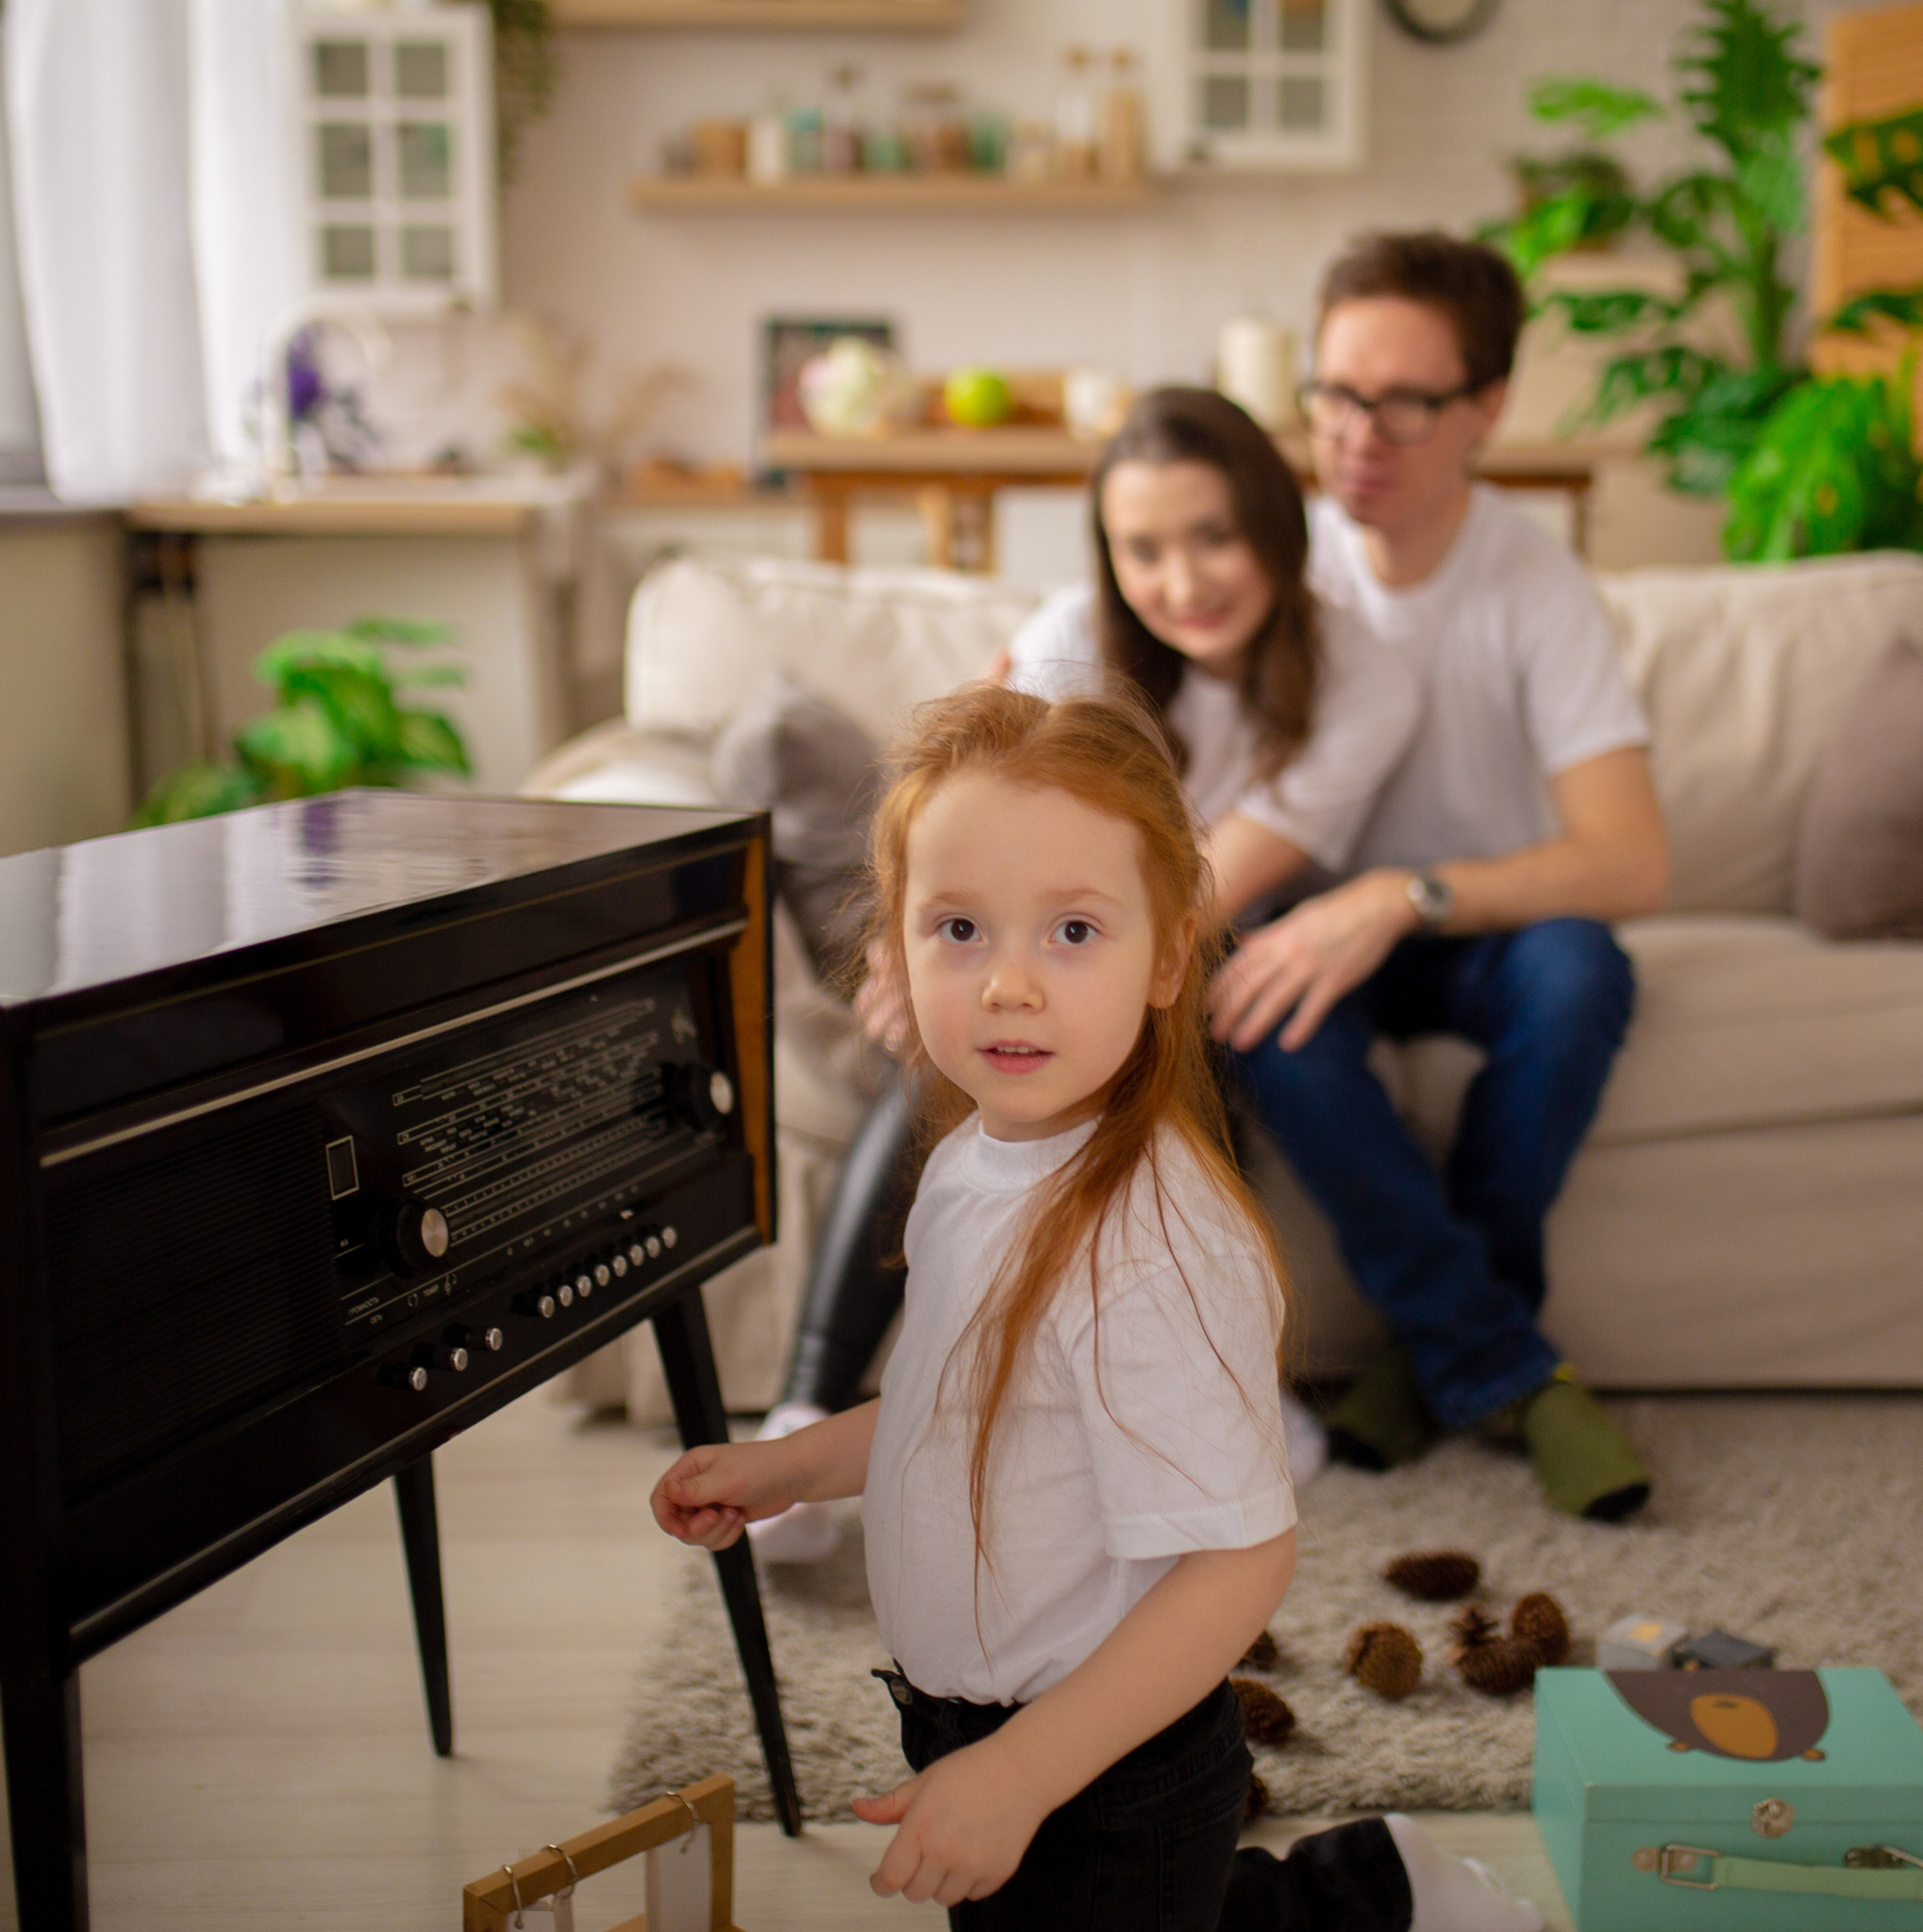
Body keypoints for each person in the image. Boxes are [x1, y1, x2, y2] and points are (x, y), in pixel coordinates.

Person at [652, 685, 1542, 1932]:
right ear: (893, 953)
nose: (1009, 983)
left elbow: (1242, 1562)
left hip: (1103, 1757)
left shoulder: (1151, 1244)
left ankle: (1386, 1897)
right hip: (990, 1734)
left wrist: (1022, 1772)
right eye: (957, 927)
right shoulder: (975, 1163)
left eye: (1073, 931)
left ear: (1169, 953)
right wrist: (786, 1464)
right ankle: (1379, 1882)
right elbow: (948, 1409)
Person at [750, 387, 1422, 1563]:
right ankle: (807, 1402)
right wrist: (914, 947)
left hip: (1199, 945)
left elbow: (1195, 896)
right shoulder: (1071, 639)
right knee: (953, 1031)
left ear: (1276, 524)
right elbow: (956, 808)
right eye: (1143, 548)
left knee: (1196, 1022)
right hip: (1046, 929)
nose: (1184, 579)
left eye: (1213, 535)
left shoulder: (1361, 674)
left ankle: (1224, 1394)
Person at [1210, 231, 1668, 1520]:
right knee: (1262, 1004)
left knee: (1582, 969)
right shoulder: (1267, 562)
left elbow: (1629, 856)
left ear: (1486, 409)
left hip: (1464, 929)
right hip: (1309, 932)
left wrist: (1398, 898)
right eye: (1337, 393)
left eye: (1405, 401)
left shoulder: (1535, 583)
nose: (1360, 434)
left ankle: (1444, 1359)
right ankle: (1498, 1362)